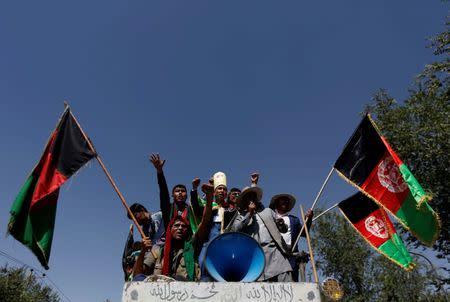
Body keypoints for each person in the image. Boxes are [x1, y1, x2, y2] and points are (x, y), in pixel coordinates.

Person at [132, 183, 214, 281]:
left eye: (183, 226)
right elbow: (137, 275)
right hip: (161, 292)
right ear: (169, 230)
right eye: (176, 225)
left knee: (206, 280)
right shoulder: (157, 251)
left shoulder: (193, 247)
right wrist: (143, 251)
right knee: (138, 279)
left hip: (187, 292)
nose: (180, 228)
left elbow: (204, 222)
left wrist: (209, 197)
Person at [229, 186, 293, 282]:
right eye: (248, 197)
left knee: (287, 287)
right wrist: (249, 214)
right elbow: (235, 230)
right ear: (244, 201)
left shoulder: (268, 211)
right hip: (257, 259)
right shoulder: (241, 217)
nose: (251, 199)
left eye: (253, 196)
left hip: (276, 255)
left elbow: (283, 230)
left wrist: (281, 224)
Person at [149, 153, 201, 234]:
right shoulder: (168, 208)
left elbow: (196, 205)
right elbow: (163, 192)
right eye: (177, 191)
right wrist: (159, 171)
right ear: (172, 195)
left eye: (183, 191)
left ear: (186, 195)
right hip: (170, 244)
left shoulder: (191, 210)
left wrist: (194, 188)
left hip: (189, 243)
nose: (180, 193)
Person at [269, 194, 313, 282]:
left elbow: (304, 233)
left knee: (292, 280)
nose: (285, 202)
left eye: (286, 201)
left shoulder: (294, 220)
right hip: (274, 253)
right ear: (276, 203)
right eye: (282, 200)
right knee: (273, 280)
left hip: (291, 254)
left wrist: (308, 220)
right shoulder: (269, 218)